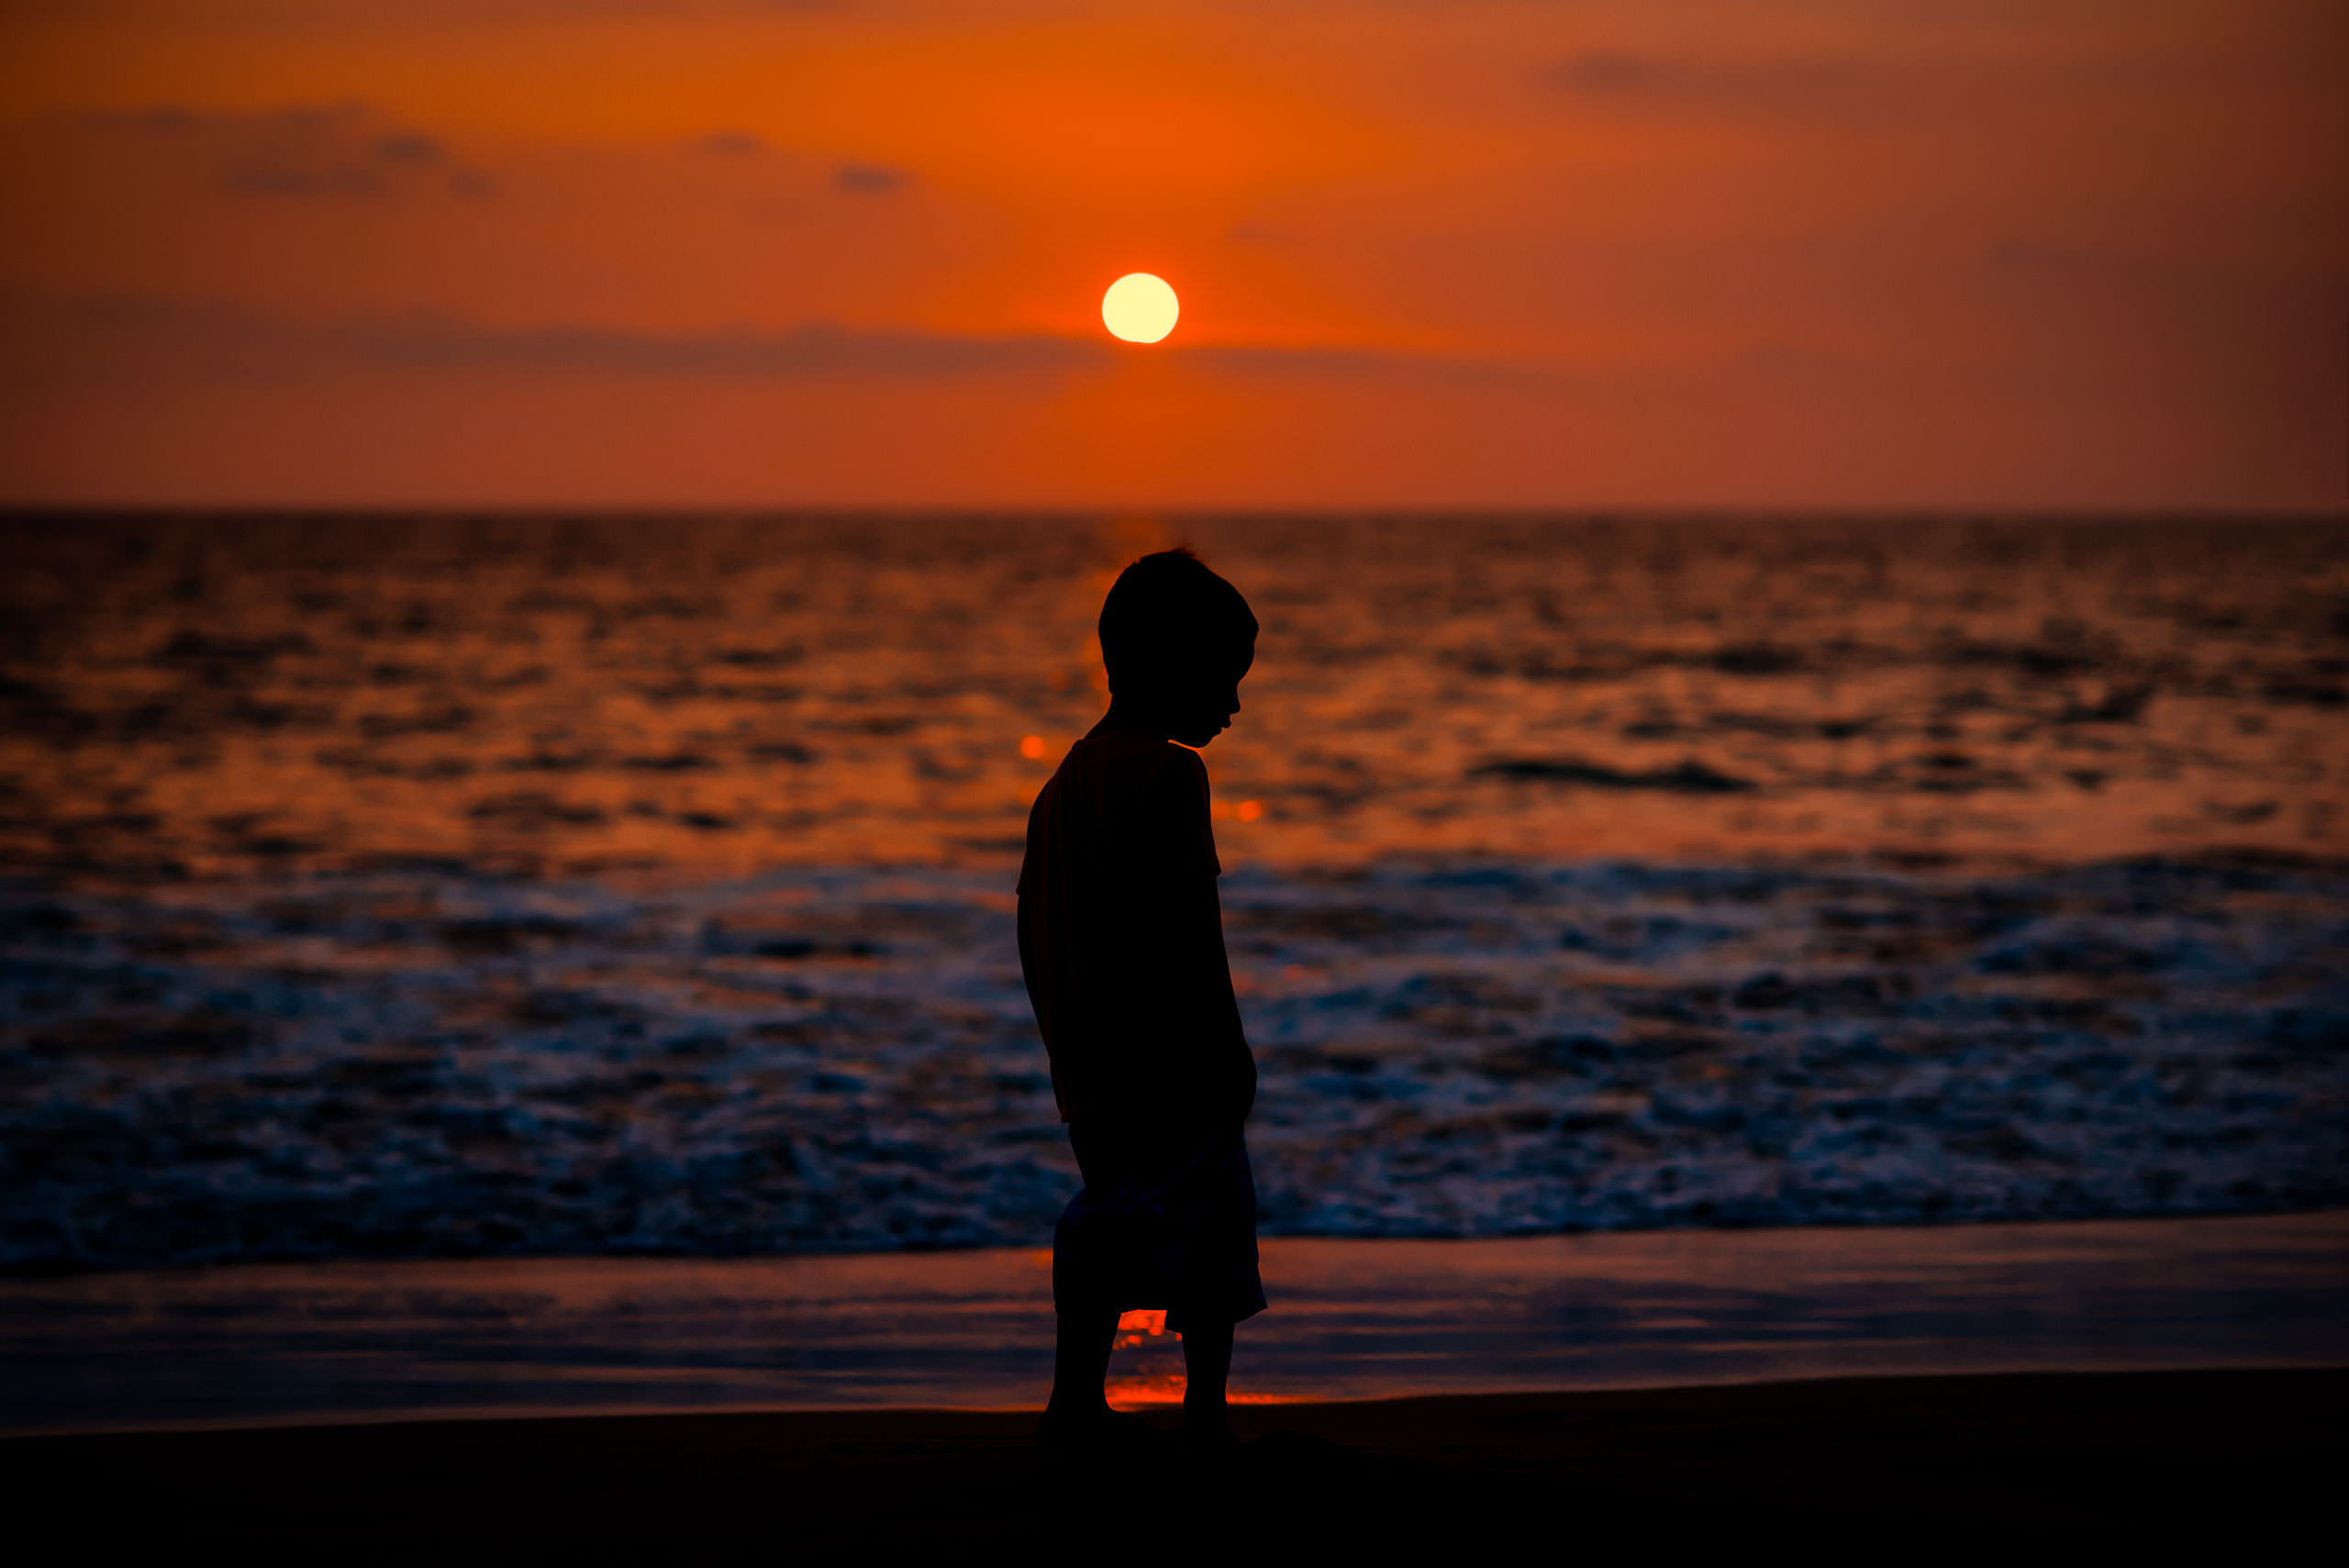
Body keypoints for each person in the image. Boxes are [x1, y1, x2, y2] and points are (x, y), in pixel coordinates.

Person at [1019, 547, 1265, 1451]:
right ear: (1171, 666)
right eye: (1222, 679)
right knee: (1210, 1227)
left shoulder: (1061, 785)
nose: (1233, 706)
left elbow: (1031, 925)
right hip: (1170, 1054)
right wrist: (1229, 1048)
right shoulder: (1169, 775)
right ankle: (1203, 1409)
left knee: (1109, 1214)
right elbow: (1191, 931)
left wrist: (1063, 1042)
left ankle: (1073, 1395)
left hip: (1089, 1060)